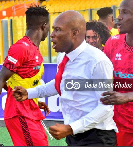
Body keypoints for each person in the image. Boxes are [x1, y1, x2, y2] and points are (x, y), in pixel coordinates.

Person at [12, 10, 118, 146]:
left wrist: (70, 128)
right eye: (53, 30)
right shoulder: (63, 56)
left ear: (74, 33)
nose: (52, 35)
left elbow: (106, 107)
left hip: (97, 137)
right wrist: (29, 93)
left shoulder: (97, 61)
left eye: (58, 30)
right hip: (74, 135)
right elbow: (61, 83)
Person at [0, 6, 50, 146]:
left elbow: (21, 81)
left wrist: (34, 99)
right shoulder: (21, 48)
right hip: (20, 113)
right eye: (50, 27)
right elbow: (1, 79)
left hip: (30, 110)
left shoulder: (33, 49)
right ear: (44, 26)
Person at [100, 0, 133, 146]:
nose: (118, 17)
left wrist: (127, 96)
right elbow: (105, 81)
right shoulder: (113, 43)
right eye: (119, 12)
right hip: (117, 126)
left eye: (125, 12)